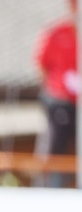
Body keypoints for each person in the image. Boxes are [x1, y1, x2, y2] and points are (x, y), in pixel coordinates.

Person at [34, 0, 78, 187]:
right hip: (60, 101)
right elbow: (42, 67)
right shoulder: (56, 32)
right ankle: (47, 184)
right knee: (55, 141)